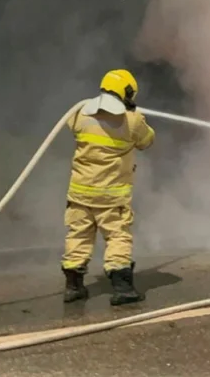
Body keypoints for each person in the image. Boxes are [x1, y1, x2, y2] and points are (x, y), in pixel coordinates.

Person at [61, 69, 156, 306]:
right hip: (111, 197)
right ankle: (123, 289)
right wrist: (135, 113)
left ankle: (73, 287)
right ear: (126, 92)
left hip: (80, 193)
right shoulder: (132, 120)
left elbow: (71, 126)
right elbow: (147, 141)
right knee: (117, 236)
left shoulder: (80, 112)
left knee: (78, 235)